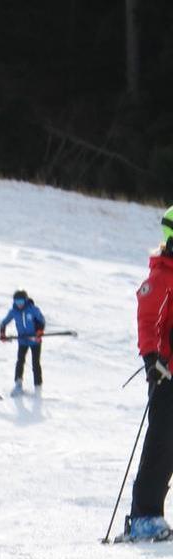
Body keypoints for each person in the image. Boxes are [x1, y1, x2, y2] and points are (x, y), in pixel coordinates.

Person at [120, 206, 173, 542]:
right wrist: (153, 357)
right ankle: (144, 515)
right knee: (162, 442)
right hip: (166, 373)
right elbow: (147, 320)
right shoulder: (161, 276)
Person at [0, 290, 45, 397]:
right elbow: (3, 323)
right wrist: (2, 334)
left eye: (21, 301)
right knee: (20, 361)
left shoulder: (33, 310)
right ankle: (18, 384)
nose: (19, 304)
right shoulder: (13, 311)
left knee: (35, 363)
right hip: (22, 340)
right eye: (17, 301)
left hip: (35, 340)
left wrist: (39, 332)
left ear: (26, 300)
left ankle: (38, 386)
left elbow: (41, 321)